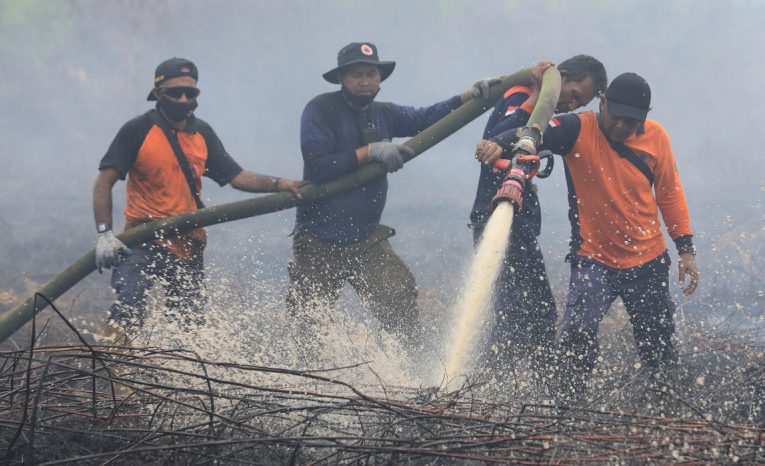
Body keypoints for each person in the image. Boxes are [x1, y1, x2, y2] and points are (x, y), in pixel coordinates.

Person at [475, 72, 699, 396]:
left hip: (648, 259)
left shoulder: (656, 137)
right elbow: (534, 134)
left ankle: (671, 401)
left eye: (632, 122)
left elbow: (670, 193)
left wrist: (686, 249)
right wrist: (499, 142)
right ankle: (568, 407)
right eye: (617, 118)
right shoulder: (577, 128)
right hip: (594, 259)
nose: (623, 127)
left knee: (657, 340)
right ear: (603, 103)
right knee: (576, 335)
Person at [286, 41, 495, 354]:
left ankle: (410, 372)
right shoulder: (320, 109)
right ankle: (298, 378)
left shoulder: (383, 113)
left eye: (371, 74)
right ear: (341, 79)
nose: (365, 81)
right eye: (356, 75)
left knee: (399, 300)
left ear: (380, 78)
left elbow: (426, 118)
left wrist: (467, 97)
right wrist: (369, 152)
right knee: (307, 321)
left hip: (366, 237)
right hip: (319, 239)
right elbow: (317, 168)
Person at [93, 57, 305, 330]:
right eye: (174, 92)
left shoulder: (202, 133)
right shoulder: (138, 130)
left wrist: (279, 184)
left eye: (190, 93)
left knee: (188, 324)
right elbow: (104, 181)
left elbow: (237, 177)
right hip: (143, 238)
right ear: (157, 94)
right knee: (128, 311)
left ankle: (180, 368)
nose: (183, 99)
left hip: (188, 242)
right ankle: (114, 364)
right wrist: (104, 234)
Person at [470, 56, 607, 375]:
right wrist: (536, 98)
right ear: (561, 77)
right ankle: (484, 386)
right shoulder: (520, 94)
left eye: (579, 103)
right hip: (495, 218)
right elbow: (498, 140)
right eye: (572, 94)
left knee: (541, 314)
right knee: (509, 313)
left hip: (520, 222)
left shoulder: (544, 113)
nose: (569, 105)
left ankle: (537, 385)